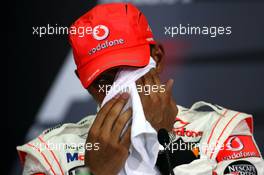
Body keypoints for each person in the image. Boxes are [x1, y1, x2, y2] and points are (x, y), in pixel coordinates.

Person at [17, 3, 263, 175]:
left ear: (157, 58)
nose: (120, 88)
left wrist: (168, 142)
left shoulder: (222, 132)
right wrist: (93, 173)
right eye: (104, 80)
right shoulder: (49, 154)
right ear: (84, 82)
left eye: (130, 69)